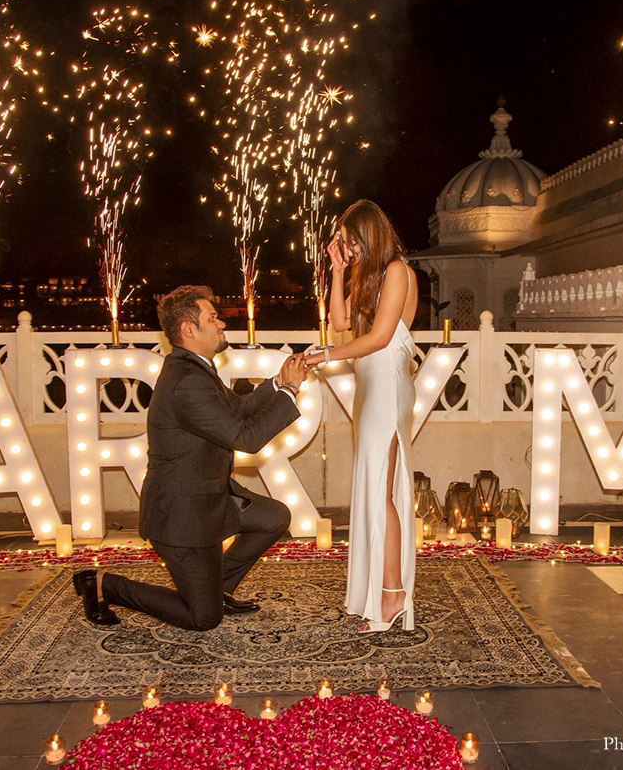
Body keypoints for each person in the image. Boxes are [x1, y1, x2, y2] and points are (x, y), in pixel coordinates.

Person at [73, 285, 306, 631]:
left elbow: (237, 408)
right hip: (182, 516)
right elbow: (246, 438)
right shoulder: (187, 382)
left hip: (210, 496)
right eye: (212, 318)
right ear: (188, 329)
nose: (221, 324)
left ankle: (216, 589)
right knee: (203, 619)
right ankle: (104, 585)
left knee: (274, 517)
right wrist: (290, 391)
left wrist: (277, 383)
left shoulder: (194, 369)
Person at [303, 200, 418, 633]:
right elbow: (339, 321)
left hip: (386, 386)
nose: (347, 249)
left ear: (369, 235)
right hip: (371, 387)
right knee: (376, 490)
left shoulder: (396, 271)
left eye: (350, 242)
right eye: (343, 244)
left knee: (381, 491)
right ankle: (388, 592)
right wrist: (335, 272)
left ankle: (392, 594)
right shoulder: (370, 275)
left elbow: (381, 337)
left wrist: (324, 356)